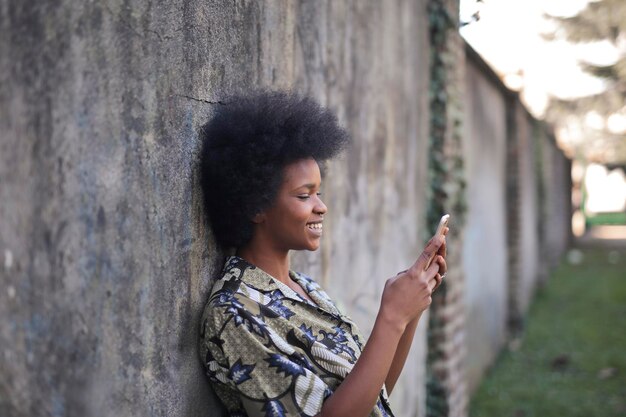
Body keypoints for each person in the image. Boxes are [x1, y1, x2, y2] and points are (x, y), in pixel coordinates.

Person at [198, 90, 447, 417]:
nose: (321, 207)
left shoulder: (306, 289)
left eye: (319, 192)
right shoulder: (233, 312)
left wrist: (409, 312)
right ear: (256, 205)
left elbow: (372, 395)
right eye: (304, 196)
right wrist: (392, 316)